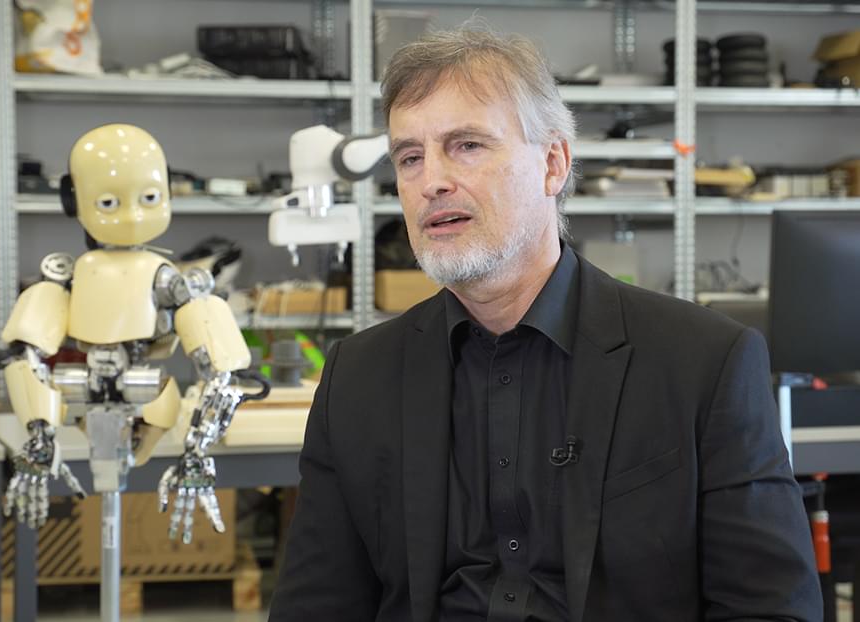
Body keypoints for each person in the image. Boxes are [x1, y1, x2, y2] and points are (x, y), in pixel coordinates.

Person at [269, 24, 822, 622]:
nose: (431, 181)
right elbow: (315, 605)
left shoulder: (705, 363)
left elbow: (770, 607)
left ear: (553, 164)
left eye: (467, 145)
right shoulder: (357, 378)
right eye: (410, 157)